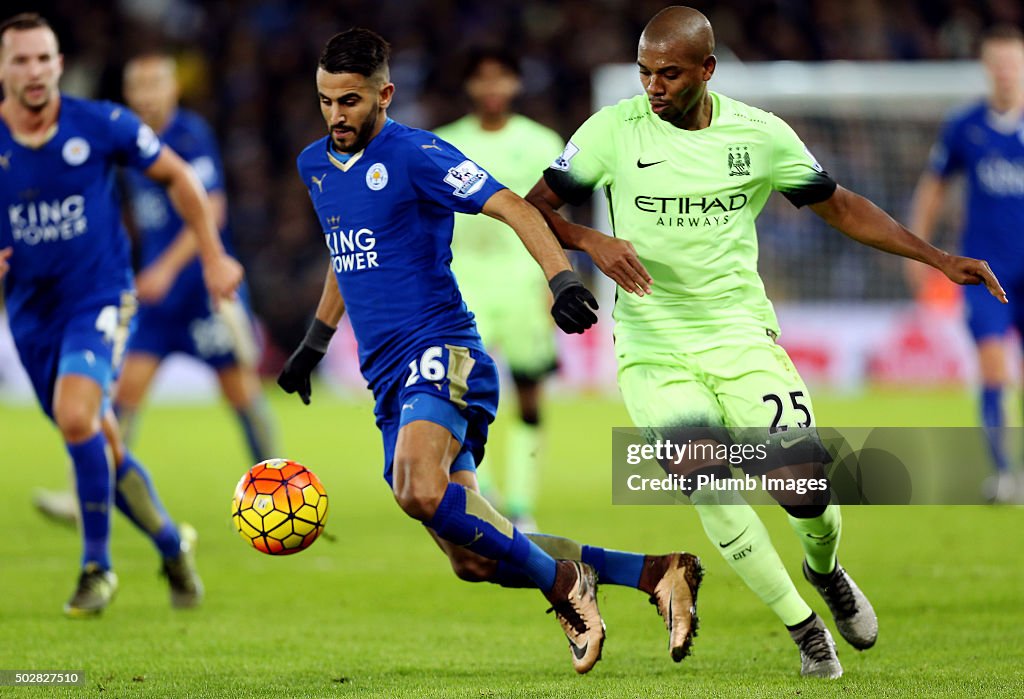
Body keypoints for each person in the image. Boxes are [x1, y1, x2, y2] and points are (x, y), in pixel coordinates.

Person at [526, 6, 1006, 679]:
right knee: (705, 478)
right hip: (653, 346)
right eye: (644, 73)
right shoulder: (611, 130)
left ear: (707, 71)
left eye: (668, 74)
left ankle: (826, 571)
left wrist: (937, 257)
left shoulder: (759, 136)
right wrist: (590, 242)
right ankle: (804, 628)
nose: (653, 87)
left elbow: (839, 204)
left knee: (804, 488)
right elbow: (533, 205)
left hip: (740, 335)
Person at [277, 28, 703, 674]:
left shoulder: (418, 154)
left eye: (351, 102)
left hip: (443, 351)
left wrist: (561, 278)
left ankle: (566, 585)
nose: (337, 116)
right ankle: (656, 572)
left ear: (385, 95)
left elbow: (512, 205)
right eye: (327, 101)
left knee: (417, 489)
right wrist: (315, 339)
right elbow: (347, 249)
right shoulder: (316, 165)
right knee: (473, 557)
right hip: (388, 375)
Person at [0, 13, 243, 615]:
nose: (34, 71)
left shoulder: (100, 123)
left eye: (43, 59)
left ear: (60, 64)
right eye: (20, 60)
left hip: (100, 296)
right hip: (30, 314)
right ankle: (170, 543)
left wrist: (213, 258)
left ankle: (97, 568)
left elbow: (181, 177)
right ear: (3, 69)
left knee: (76, 415)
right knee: (97, 441)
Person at [33, 53, 280, 525]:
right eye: (137, 85)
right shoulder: (127, 139)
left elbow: (213, 208)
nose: (146, 94)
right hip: (158, 303)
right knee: (122, 394)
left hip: (203, 294)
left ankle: (277, 487)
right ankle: (84, 494)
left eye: (155, 84)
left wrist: (164, 268)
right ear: (127, 93)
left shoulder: (190, 135)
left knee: (241, 393)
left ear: (173, 89)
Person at [433, 48, 565, 530]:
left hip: (523, 279)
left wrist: (556, 280)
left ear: (515, 83)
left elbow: (554, 218)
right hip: (463, 283)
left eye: (501, 77)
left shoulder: (540, 142)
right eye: (482, 79)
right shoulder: (443, 143)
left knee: (529, 394)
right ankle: (482, 491)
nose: (492, 88)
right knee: (462, 394)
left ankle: (523, 504)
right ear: (469, 87)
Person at [908, 25, 1024, 504]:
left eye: (1012, 63)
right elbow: (933, 189)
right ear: (985, 69)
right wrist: (920, 250)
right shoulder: (965, 126)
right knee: (994, 365)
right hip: (988, 270)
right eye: (996, 64)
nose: (1005, 72)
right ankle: (1004, 474)